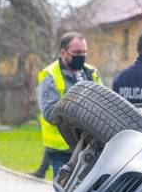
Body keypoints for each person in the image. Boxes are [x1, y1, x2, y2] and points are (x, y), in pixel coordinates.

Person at [35, 31, 102, 177]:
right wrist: (82, 113)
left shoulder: (91, 72)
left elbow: (103, 103)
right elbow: (50, 114)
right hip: (63, 151)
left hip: (90, 147)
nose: (81, 56)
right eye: (77, 52)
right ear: (63, 52)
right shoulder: (51, 76)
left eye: (84, 52)